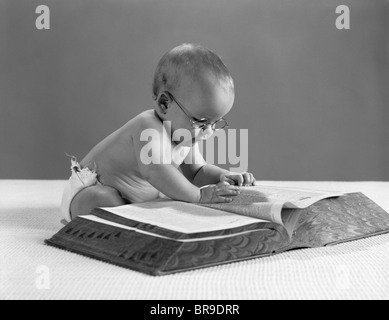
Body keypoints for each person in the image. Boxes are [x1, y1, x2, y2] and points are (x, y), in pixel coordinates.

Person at [61, 43, 256, 222]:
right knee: (103, 200)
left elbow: (197, 173)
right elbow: (155, 171)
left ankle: (128, 221)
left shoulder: (185, 136)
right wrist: (198, 196)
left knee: (156, 206)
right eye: (201, 121)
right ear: (164, 104)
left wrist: (224, 176)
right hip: (90, 189)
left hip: (133, 201)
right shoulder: (147, 126)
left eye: (215, 123)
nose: (209, 131)